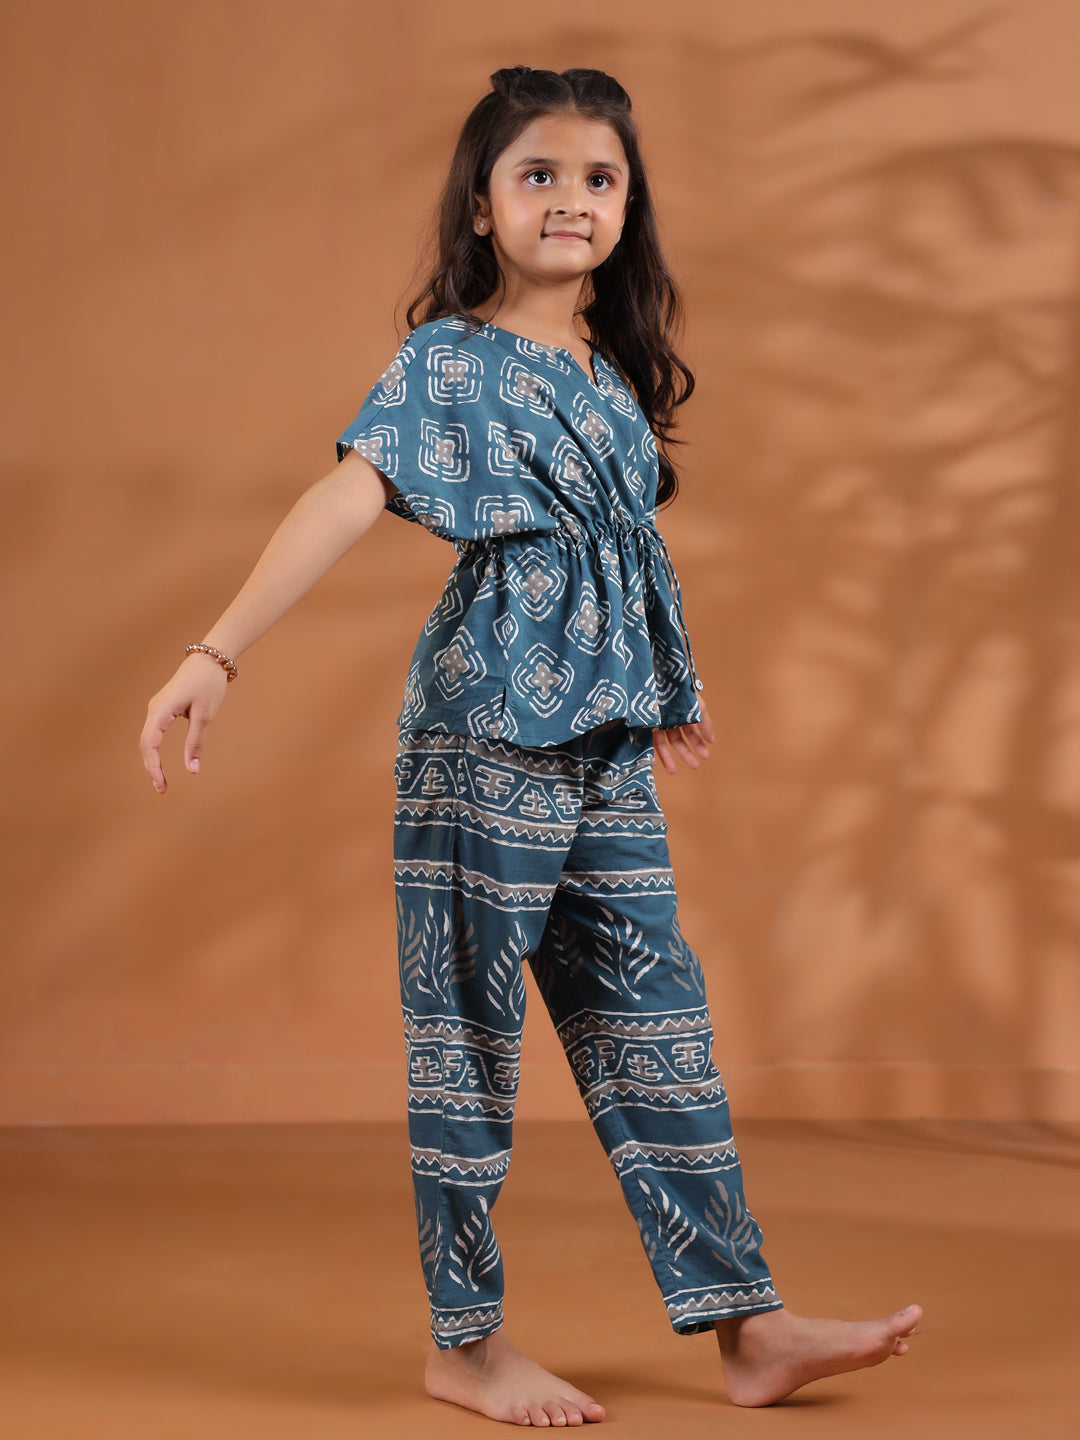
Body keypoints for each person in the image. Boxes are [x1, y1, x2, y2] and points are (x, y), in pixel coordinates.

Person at [140, 65, 922, 1430]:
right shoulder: (451, 359)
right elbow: (349, 493)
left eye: (600, 177)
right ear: (482, 205)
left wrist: (667, 683)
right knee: (469, 1034)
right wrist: (217, 652)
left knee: (656, 1023)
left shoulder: (608, 377)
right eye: (539, 174)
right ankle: (465, 1342)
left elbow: (619, 554)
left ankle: (747, 1326)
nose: (572, 199)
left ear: (630, 206)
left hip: (602, 740)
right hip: (485, 732)